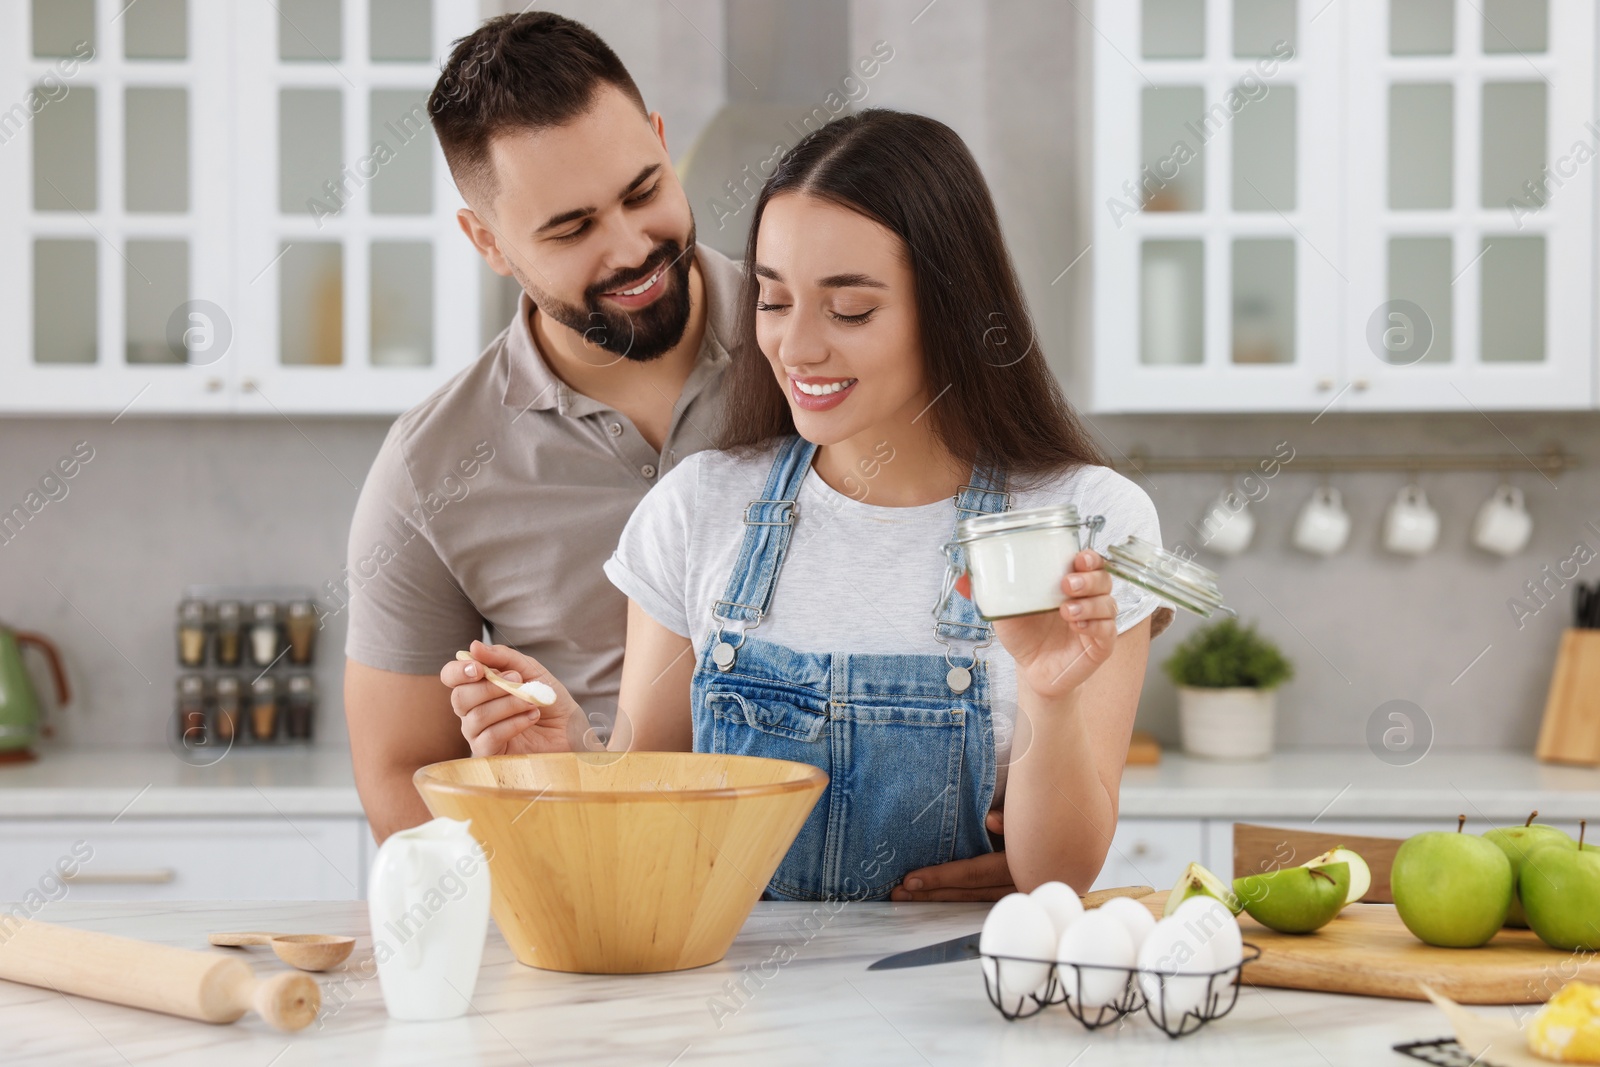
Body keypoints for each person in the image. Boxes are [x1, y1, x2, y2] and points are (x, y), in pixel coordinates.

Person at [344, 13, 1021, 902]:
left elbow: (1028, 565)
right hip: (610, 906)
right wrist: (555, 907)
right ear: (489, 243)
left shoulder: (830, 353)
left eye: (641, 189)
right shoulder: (433, 468)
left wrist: (1031, 846)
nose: (630, 247)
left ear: (662, 142)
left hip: (896, 910)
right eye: (572, 227)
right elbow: (402, 774)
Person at [442, 109, 1173, 899]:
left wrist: (1050, 689)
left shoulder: (1085, 520)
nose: (798, 346)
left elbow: (1058, 875)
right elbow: (654, 811)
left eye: (849, 309)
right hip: (734, 1004)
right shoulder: (697, 509)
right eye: (774, 300)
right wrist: (571, 757)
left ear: (952, 307)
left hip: (960, 1004)